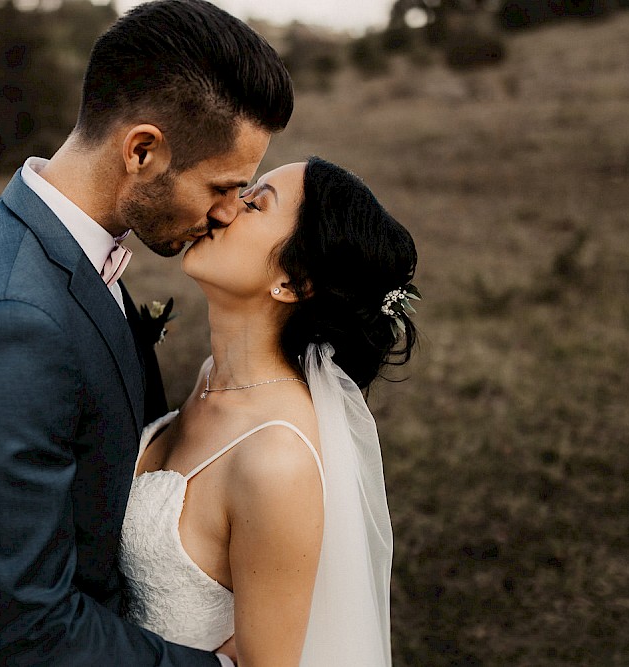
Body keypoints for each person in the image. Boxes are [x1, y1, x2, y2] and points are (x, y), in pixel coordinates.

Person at [0, 1, 293, 664]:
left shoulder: (65, 244)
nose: (227, 213)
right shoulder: (7, 323)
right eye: (221, 186)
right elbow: (31, 628)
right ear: (141, 150)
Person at [119, 156, 419, 666]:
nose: (223, 207)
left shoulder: (276, 460)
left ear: (293, 283)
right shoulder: (212, 379)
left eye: (254, 203)